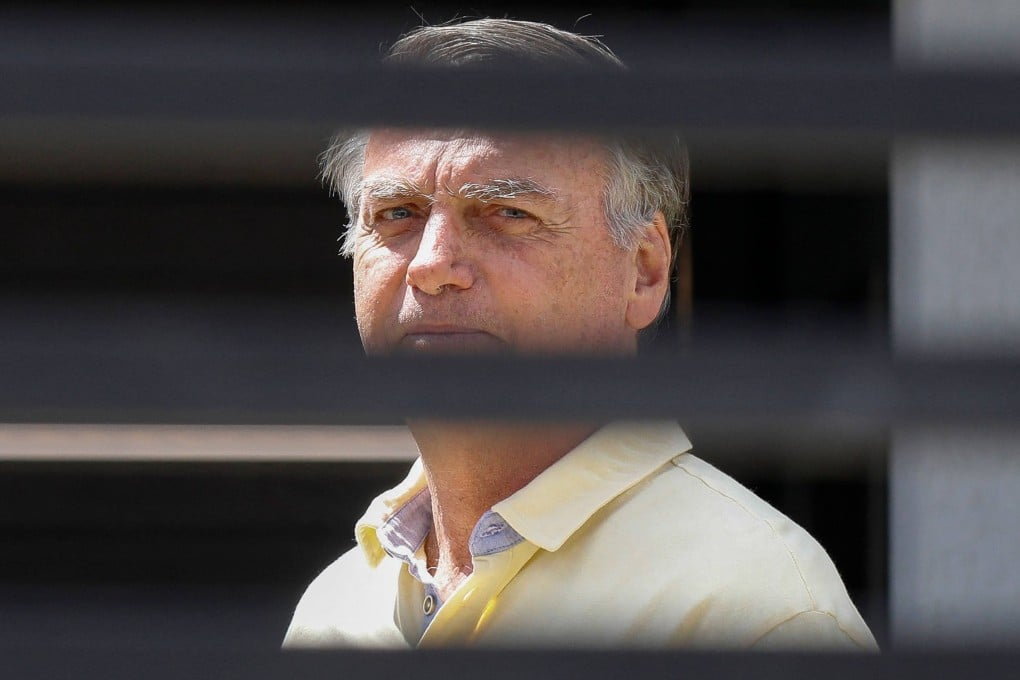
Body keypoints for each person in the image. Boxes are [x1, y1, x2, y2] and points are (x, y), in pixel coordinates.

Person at [284, 18, 877, 650]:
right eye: (396, 214)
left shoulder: (750, 614)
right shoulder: (337, 612)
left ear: (644, 271)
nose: (431, 264)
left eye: (508, 213)